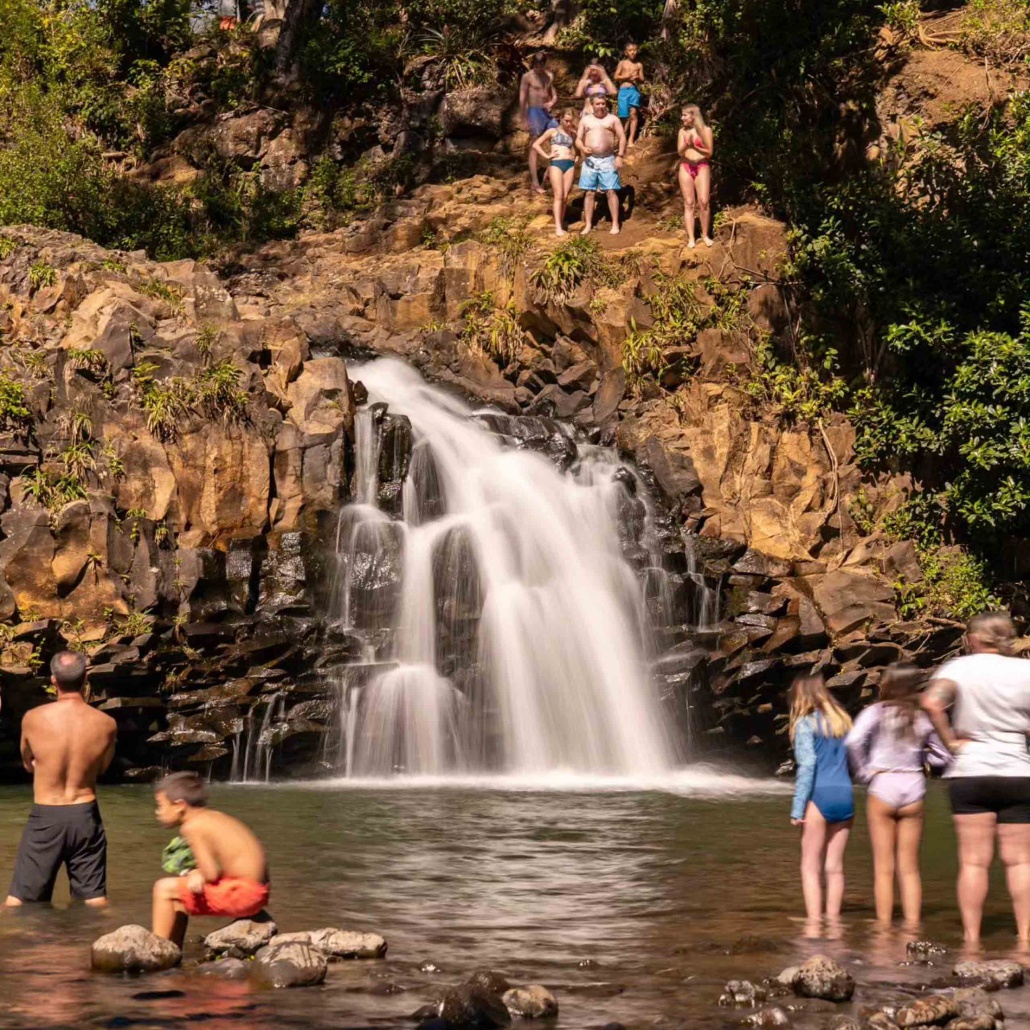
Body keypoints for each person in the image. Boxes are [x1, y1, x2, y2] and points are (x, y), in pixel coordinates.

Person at [923, 612, 1030, 947]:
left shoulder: (959, 668)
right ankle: (1025, 941)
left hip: (971, 771)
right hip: (1017, 771)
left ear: (974, 638)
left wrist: (951, 742)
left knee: (973, 862)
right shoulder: (1026, 670)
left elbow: (931, 703)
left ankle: (971, 942)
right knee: (1021, 861)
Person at [5, 652, 116, 908]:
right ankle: (106, 942)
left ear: (53, 680)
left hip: (46, 816)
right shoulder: (106, 723)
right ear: (85, 679)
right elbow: (102, 768)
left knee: (19, 902)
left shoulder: (33, 718)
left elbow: (27, 763)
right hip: (85, 814)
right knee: (94, 900)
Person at [845, 663, 951, 926]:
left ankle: (883, 927)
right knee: (910, 868)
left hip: (883, 783)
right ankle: (912, 927)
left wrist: (865, 771)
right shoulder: (922, 717)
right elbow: (944, 756)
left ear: (888, 684)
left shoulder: (875, 712)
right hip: (913, 784)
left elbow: (853, 741)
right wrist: (924, 757)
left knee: (884, 868)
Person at [151, 771, 269, 948]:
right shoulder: (215, 817)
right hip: (258, 891)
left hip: (244, 894)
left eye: (160, 806)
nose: (157, 812)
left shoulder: (192, 826)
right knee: (177, 899)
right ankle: (173, 950)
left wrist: (196, 874)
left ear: (179, 805)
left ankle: (155, 949)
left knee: (163, 889)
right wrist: (196, 873)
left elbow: (211, 873)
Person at [789, 672, 854, 929]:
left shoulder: (805, 724)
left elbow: (808, 766)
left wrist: (797, 807)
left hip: (819, 794)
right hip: (845, 794)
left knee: (810, 867)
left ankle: (814, 925)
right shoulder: (843, 723)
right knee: (835, 867)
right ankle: (835, 925)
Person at [576, 95, 627, 236]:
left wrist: (620, 156)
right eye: (597, 104)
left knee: (611, 191)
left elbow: (622, 137)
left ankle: (615, 223)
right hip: (590, 160)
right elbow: (578, 139)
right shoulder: (585, 120)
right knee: (589, 192)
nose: (600, 106)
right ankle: (588, 224)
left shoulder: (613, 119)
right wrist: (582, 148)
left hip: (608, 159)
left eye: (603, 103)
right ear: (592, 105)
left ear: (606, 104)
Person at [532, 109, 579, 236]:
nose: (569, 124)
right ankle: (558, 227)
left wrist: (576, 156)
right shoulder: (552, 131)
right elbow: (536, 145)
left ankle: (561, 222)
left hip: (569, 165)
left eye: (571, 121)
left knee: (565, 196)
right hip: (556, 164)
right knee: (558, 195)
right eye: (566, 121)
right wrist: (547, 155)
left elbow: (576, 148)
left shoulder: (572, 134)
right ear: (561, 119)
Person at [519, 52, 558, 194]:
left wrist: (551, 102)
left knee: (559, 137)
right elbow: (522, 98)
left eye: (541, 64)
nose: (539, 67)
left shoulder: (549, 76)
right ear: (533, 64)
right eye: (536, 64)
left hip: (546, 112)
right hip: (534, 112)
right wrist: (524, 118)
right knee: (535, 145)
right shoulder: (527, 77)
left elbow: (554, 95)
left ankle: (549, 174)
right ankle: (535, 182)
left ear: (544, 64)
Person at [677, 104, 714, 249]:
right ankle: (691, 238)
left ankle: (705, 235)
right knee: (689, 202)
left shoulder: (706, 130)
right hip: (686, 166)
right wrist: (687, 145)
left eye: (685, 115)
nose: (682, 118)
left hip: (702, 165)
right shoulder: (682, 131)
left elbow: (709, 153)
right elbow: (680, 152)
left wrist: (695, 146)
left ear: (693, 116)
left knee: (704, 201)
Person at [614, 43, 645, 147]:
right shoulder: (622, 63)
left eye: (635, 50)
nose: (633, 52)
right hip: (623, 91)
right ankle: (622, 138)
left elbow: (642, 79)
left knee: (633, 114)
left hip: (633, 91)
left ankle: (630, 140)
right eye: (630, 50)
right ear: (626, 52)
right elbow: (616, 76)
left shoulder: (639, 65)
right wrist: (626, 77)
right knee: (623, 116)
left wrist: (637, 78)